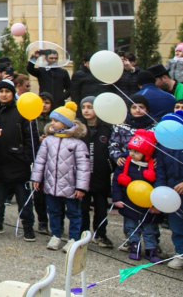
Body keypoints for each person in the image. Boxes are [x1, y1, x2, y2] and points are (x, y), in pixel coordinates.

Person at [30, 102, 90, 253]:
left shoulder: (78, 143)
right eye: (52, 120)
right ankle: (56, 234)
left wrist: (81, 187)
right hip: (51, 185)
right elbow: (40, 160)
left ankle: (73, 238)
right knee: (54, 211)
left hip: (71, 186)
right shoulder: (48, 141)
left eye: (55, 120)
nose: (52, 123)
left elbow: (84, 166)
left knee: (74, 212)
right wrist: (36, 179)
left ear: (66, 122)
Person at [0, 80, 38, 241]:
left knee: (23, 198)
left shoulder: (21, 111)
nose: (4, 94)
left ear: (12, 93)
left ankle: (28, 226)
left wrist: (26, 157)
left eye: (7, 91)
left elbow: (31, 137)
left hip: (18, 162)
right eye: (1, 91)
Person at [112, 129, 162, 262]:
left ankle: (151, 248)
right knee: (131, 225)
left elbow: (159, 183)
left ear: (145, 153)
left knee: (149, 227)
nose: (132, 154)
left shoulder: (154, 166)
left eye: (136, 152)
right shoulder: (125, 164)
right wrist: (117, 198)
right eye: (131, 150)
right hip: (129, 202)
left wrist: (157, 203)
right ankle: (135, 246)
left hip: (149, 203)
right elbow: (116, 181)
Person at [78, 96, 113, 247]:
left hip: (101, 175)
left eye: (90, 107)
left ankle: (100, 234)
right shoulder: (78, 128)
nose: (86, 110)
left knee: (100, 207)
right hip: (83, 177)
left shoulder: (107, 128)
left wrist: (110, 166)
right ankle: (83, 233)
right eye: (83, 107)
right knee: (83, 207)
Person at [153, 111, 183, 270]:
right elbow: (161, 172)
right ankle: (180, 253)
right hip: (172, 194)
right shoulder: (163, 147)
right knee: (176, 226)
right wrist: (160, 192)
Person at [109, 94, 154, 166]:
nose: (138, 110)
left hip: (148, 166)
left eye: (141, 107)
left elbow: (159, 147)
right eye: (134, 107)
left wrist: (156, 159)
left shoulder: (154, 127)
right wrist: (117, 157)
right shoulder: (120, 125)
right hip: (126, 165)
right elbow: (113, 144)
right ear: (129, 109)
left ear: (147, 109)